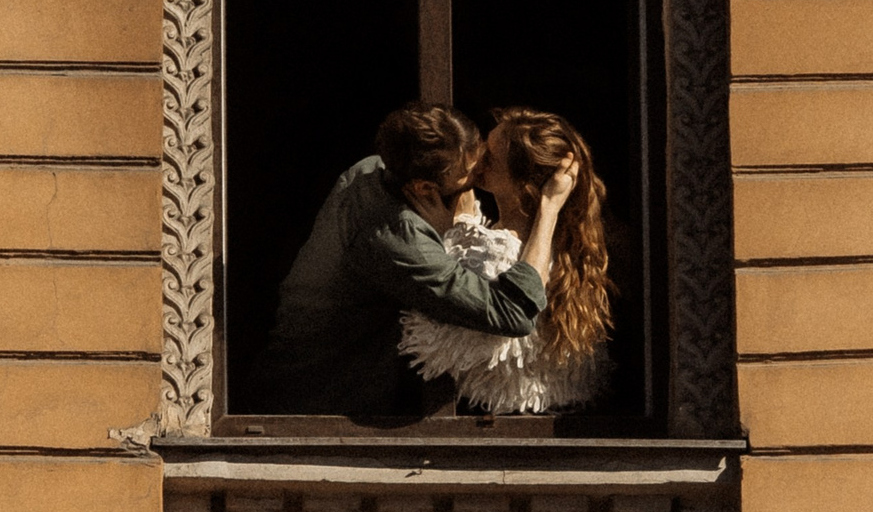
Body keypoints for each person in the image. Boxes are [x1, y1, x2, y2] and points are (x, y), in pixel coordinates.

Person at [258, 102, 571, 419]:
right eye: (470, 171)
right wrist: (549, 208)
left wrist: (445, 231)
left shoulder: (370, 169)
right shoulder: (399, 239)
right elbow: (513, 314)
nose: (480, 171)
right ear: (424, 187)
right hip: (321, 409)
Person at [399, 107, 614, 412]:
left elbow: (433, 342)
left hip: (496, 421)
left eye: (489, 157)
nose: (477, 157)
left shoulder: (499, 252)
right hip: (550, 417)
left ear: (521, 184)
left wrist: (445, 237)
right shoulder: (566, 248)